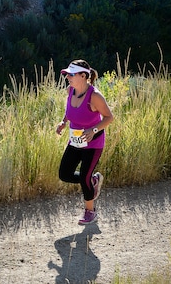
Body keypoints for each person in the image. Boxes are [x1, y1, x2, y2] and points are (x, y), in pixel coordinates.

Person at [55, 60, 114, 226]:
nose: (68, 77)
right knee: (64, 174)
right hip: (75, 141)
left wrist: (93, 130)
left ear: (83, 76)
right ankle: (92, 181)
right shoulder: (70, 90)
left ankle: (90, 211)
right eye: (67, 74)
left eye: (71, 74)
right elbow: (70, 112)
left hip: (93, 143)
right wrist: (63, 122)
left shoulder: (94, 96)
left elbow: (109, 117)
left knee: (83, 177)